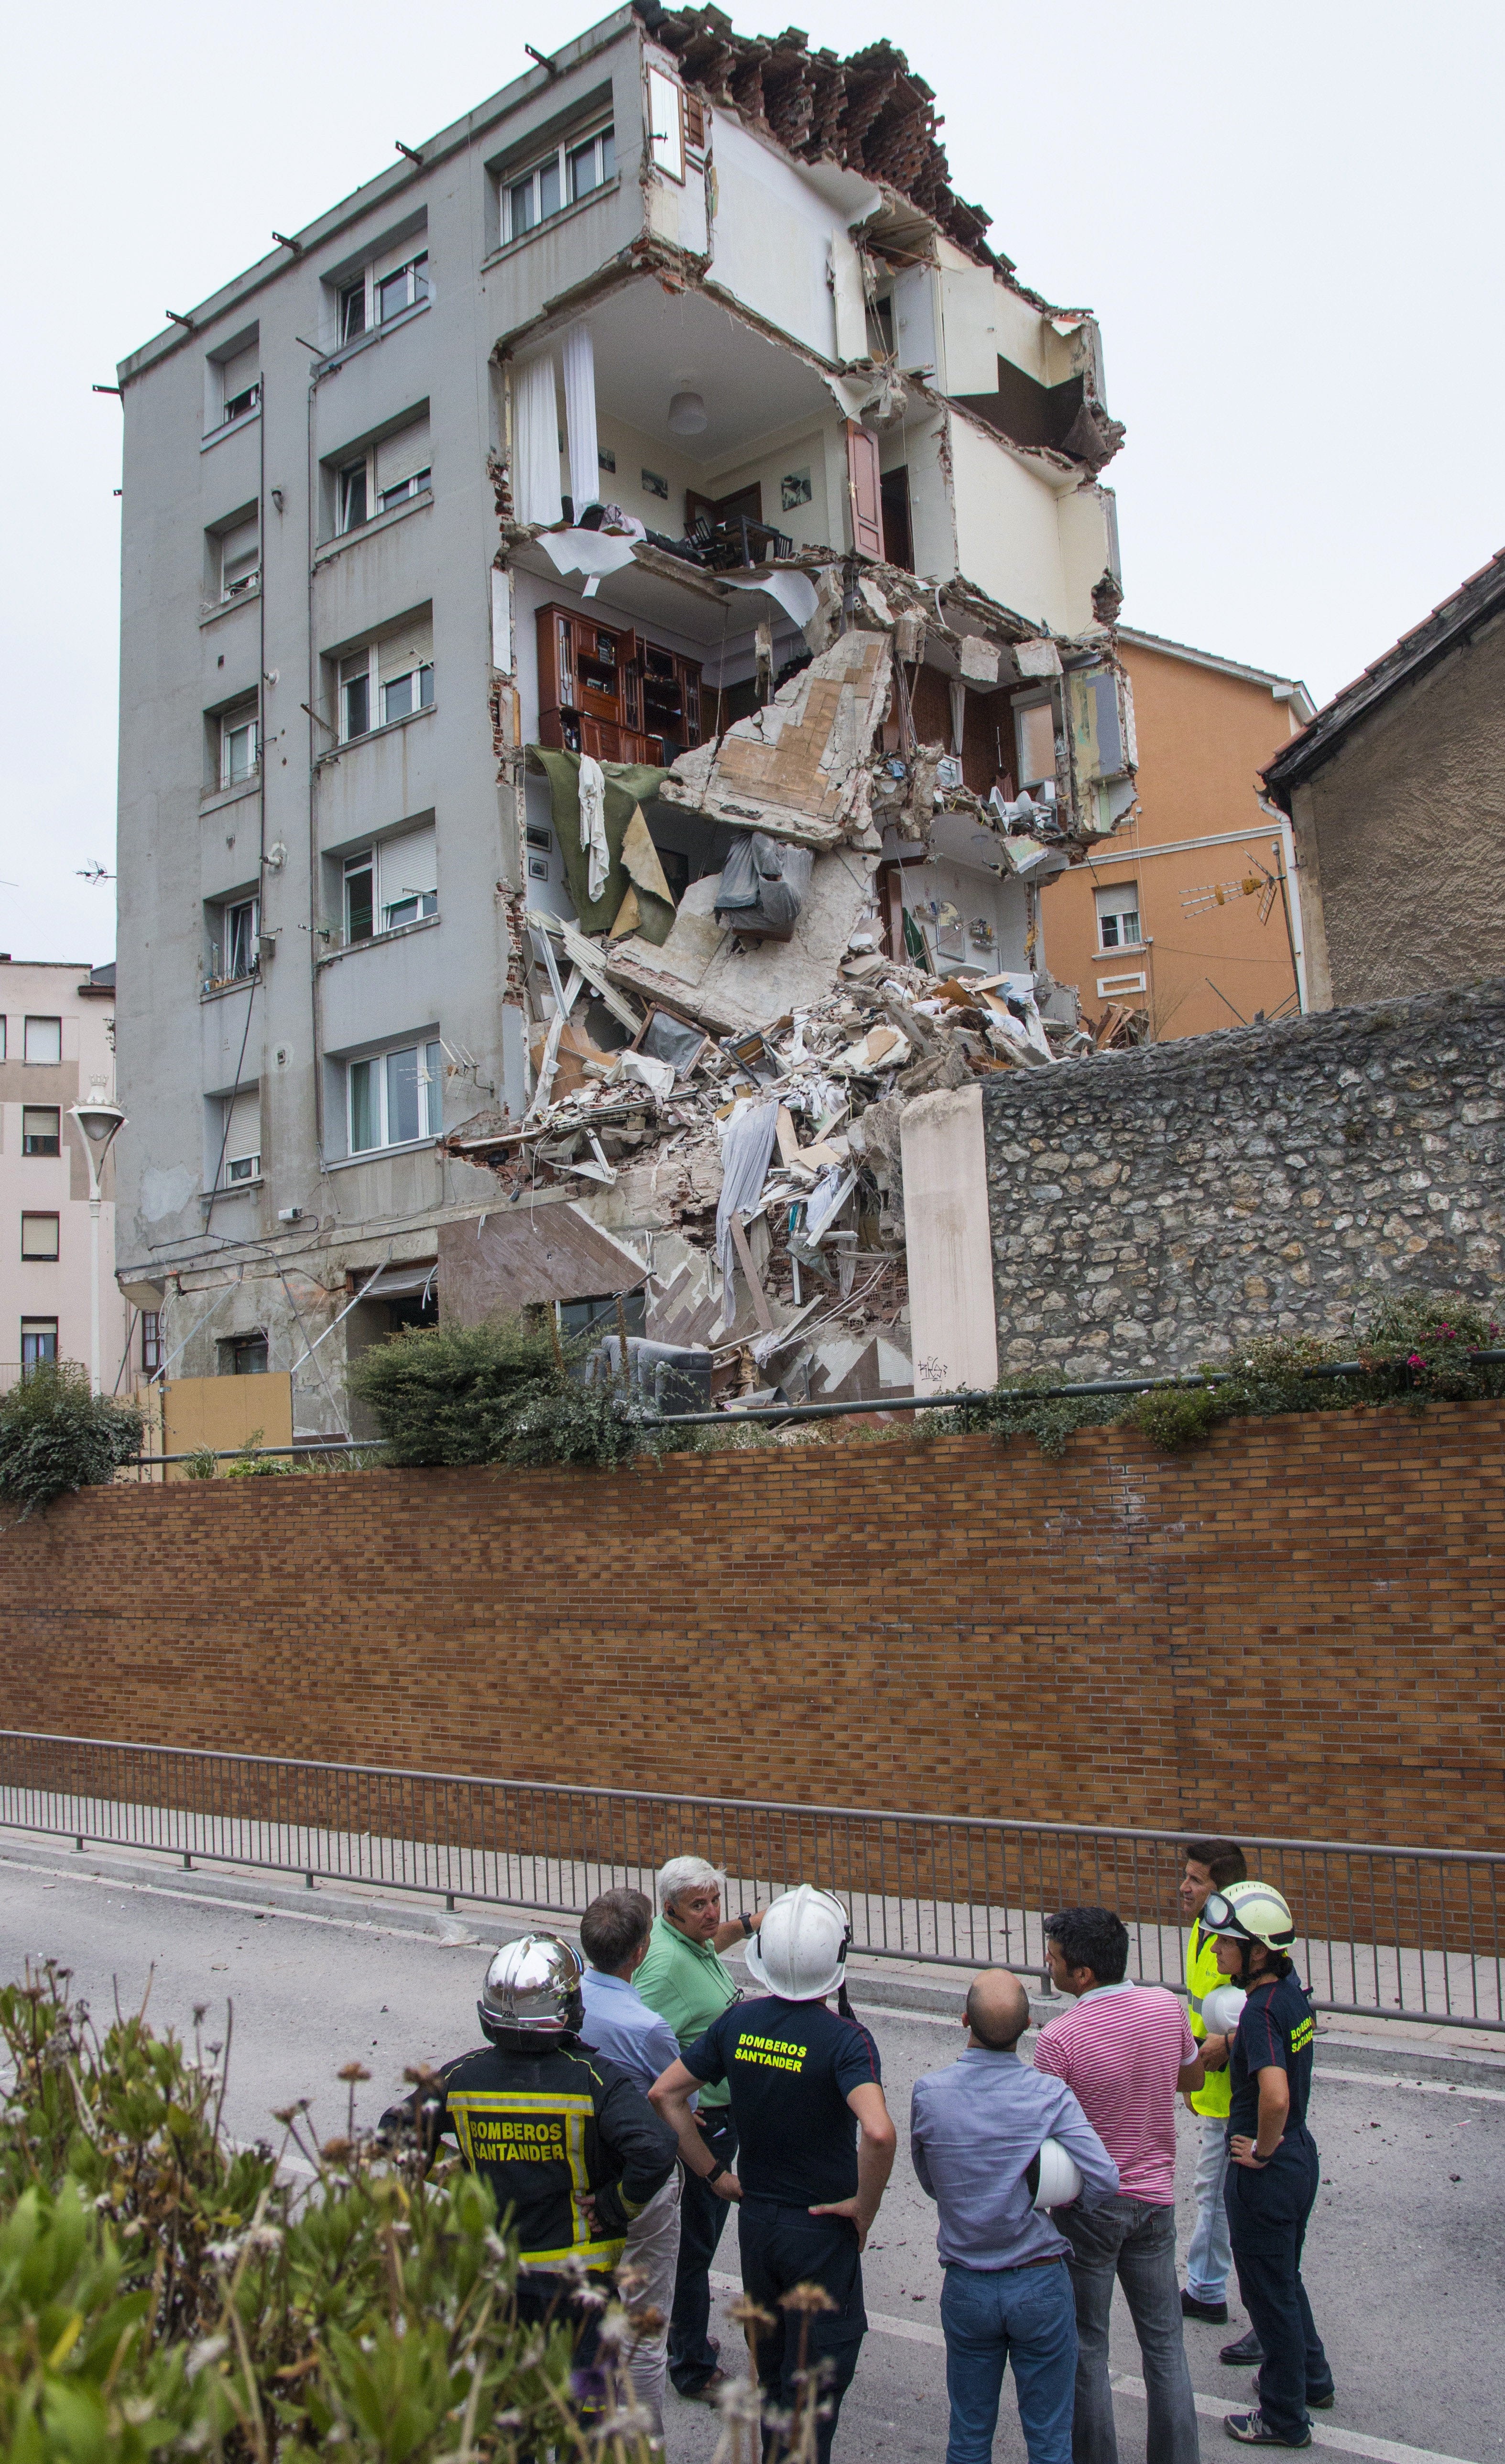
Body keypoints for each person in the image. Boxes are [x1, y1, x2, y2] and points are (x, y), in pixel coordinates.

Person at [650, 1884, 896, 2462]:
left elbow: (665, 2093)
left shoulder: (738, 2021)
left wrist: (713, 2174)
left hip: (758, 2224)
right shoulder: (845, 2040)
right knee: (811, 2389)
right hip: (820, 2229)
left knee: (773, 2379)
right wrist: (864, 2206)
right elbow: (879, 2131)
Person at [379, 1934, 676, 2404]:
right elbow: (656, 2150)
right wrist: (614, 2204)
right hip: (583, 2284)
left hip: (499, 2281)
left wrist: (454, 2176)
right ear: (569, 2007)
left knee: (509, 2412)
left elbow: (393, 2132)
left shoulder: (463, 2076)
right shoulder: (595, 2078)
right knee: (589, 2414)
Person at [911, 1968, 1120, 2464]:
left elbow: (929, 2181)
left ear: (964, 2019)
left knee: (967, 2437)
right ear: (1029, 2023)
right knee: (1049, 2443)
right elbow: (1106, 2178)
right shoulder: (1050, 2095)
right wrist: (1061, 2196)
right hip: (1039, 2283)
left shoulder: (929, 2092)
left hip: (967, 2285)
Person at [1032, 1906, 1208, 2464]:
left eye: (1054, 1957)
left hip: (1090, 2207)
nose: (1048, 1964)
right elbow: (1193, 2076)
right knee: (1164, 2346)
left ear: (1081, 1974)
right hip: (1155, 2201)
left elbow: (1041, 2129)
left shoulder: (1058, 2038)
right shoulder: (1164, 2004)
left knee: (1087, 2345)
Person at [1198, 1882, 1335, 2448]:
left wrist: (1259, 2149)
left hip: (1268, 2170)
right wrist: (1233, 2041)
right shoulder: (1290, 1993)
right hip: (1300, 2158)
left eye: (1225, 1943)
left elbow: (1274, 2096)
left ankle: (1283, 2416)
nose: (1214, 1952)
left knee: (1266, 2293)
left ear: (1256, 1951)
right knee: (1286, 2279)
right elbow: (1274, 2030)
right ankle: (1313, 2379)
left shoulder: (1258, 2013)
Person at [633, 1855, 765, 2401]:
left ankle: (683, 2334)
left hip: (723, 2114)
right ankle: (689, 2360)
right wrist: (674, 2105)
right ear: (669, 1911)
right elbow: (631, 2037)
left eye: (715, 1900)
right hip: (701, 2127)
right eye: (699, 1905)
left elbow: (716, 1939)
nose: (712, 1913)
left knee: (699, 2239)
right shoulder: (664, 1968)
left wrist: (754, 1923)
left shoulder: (691, 1939)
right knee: (694, 2245)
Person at [577, 1888, 686, 2435]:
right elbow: (673, 2099)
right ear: (641, 1950)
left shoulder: (566, 2001)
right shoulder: (646, 2027)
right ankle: (645, 2440)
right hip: (640, 2187)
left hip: (579, 2180)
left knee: (588, 2316)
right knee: (645, 2327)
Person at [1178, 1837, 1252, 2333]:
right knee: (1219, 2191)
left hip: (1232, 2097)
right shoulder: (1204, 1931)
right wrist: (1189, 2078)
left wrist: (1221, 2047)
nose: (1183, 1886)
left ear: (1220, 1888)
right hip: (1210, 2090)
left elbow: (1262, 2016)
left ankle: (1206, 2288)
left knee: (1217, 2193)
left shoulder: (1238, 1945)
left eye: (1195, 1879)